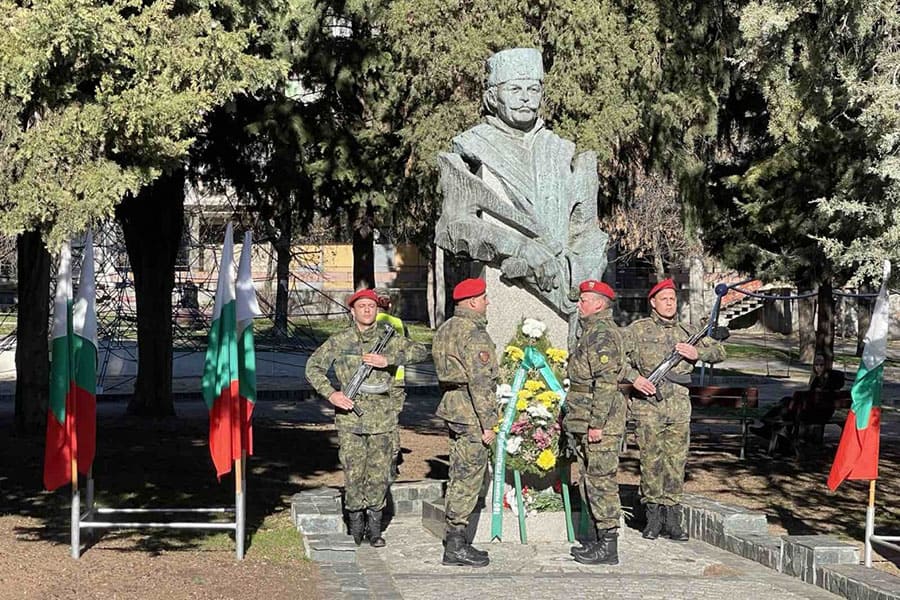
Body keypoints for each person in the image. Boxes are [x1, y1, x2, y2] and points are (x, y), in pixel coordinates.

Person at [435, 47, 608, 326]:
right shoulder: (474, 145)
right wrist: (519, 247)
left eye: (534, 89)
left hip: (566, 292)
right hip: (507, 293)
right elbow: (454, 225)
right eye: (515, 89)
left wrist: (580, 281)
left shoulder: (561, 150)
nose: (526, 98)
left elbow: (587, 234)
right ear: (493, 97)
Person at [305, 288, 429, 548]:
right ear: (352, 311)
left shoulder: (389, 339)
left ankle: (375, 527)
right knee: (353, 473)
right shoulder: (340, 341)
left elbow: (421, 352)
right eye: (361, 306)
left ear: (377, 310)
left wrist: (389, 360)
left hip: (382, 418)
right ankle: (355, 525)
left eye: (371, 307)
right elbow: (313, 367)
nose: (367, 311)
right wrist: (332, 394)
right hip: (350, 418)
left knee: (379, 473)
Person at [628, 278, 725, 542]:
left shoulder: (688, 331)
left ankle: (672, 518)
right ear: (653, 302)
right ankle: (652, 518)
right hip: (648, 407)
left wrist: (697, 354)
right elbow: (618, 360)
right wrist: (635, 378)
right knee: (651, 461)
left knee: (675, 462)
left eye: (673, 299)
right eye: (664, 299)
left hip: (679, 407)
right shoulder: (637, 330)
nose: (670, 303)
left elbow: (719, 351)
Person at [564, 280, 651, 566]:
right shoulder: (591, 332)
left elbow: (605, 381)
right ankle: (601, 540)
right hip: (585, 417)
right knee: (591, 480)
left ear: (599, 304)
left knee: (601, 482)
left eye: (585, 300)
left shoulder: (601, 333)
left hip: (598, 420)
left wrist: (597, 423)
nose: (580, 304)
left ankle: (608, 544)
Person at [432, 277, 497, 568]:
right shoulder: (474, 333)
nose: (487, 303)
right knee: (469, 478)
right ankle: (456, 545)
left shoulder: (446, 328)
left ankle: (455, 539)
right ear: (473, 302)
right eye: (484, 298)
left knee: (458, 474)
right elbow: (481, 382)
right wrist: (489, 423)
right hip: (471, 412)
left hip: (453, 407)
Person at [750, 353, 845, 444]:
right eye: (816, 364)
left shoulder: (831, 379)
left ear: (826, 365)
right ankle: (771, 430)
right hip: (812, 412)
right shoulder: (819, 379)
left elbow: (816, 397)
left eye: (821, 364)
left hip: (817, 414)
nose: (818, 367)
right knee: (786, 403)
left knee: (786, 404)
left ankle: (767, 425)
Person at [374, 288, 408, 480]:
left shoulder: (368, 323)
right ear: (390, 305)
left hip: (374, 380)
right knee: (392, 422)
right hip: (397, 379)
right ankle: (391, 466)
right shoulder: (398, 323)